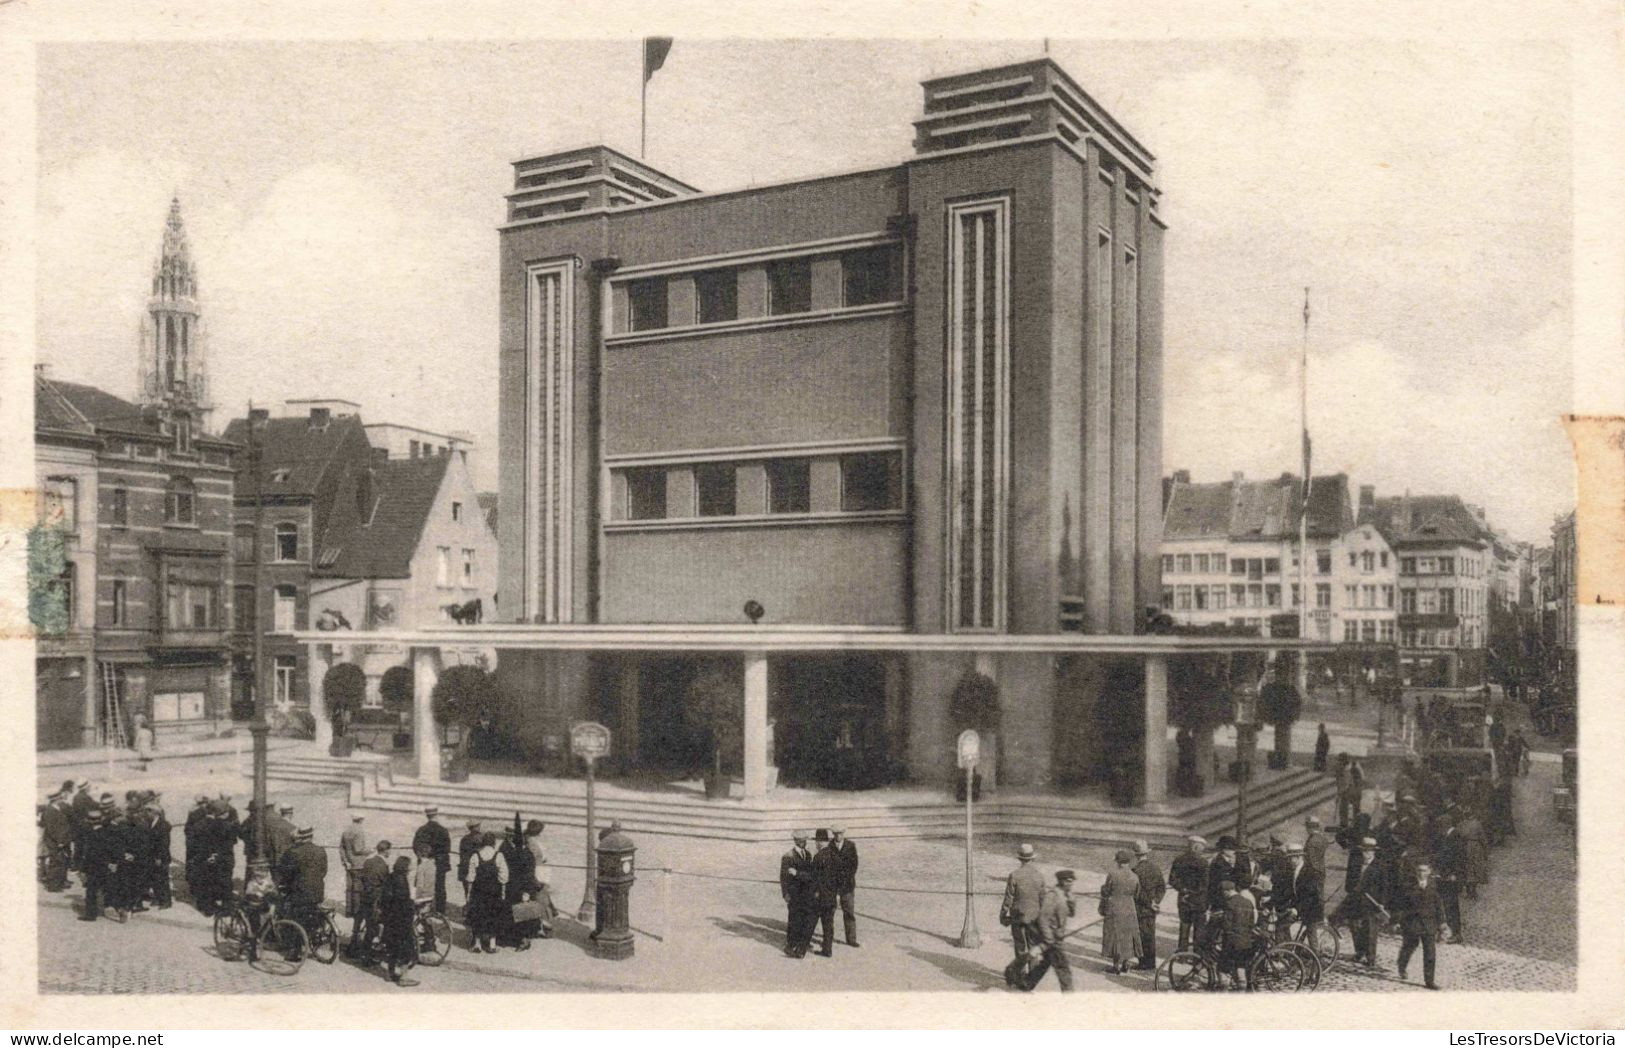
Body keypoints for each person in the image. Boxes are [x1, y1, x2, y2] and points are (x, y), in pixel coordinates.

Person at [999, 843, 1046, 987]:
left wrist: (1003, 914)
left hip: (1018, 916)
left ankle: (1019, 975)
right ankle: (1032, 978)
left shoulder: (1014, 875)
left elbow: (1009, 898)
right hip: (1034, 917)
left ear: (1020, 859)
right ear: (1032, 858)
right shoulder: (1039, 876)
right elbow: (1043, 899)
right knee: (1033, 947)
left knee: (1020, 947)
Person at [1021, 870, 1076, 992]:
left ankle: (1026, 983)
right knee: (1063, 969)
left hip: (1056, 936)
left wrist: (1072, 901)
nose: (1071, 884)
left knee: (1045, 963)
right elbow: (1043, 918)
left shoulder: (1065, 895)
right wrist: (1049, 939)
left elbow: (1071, 914)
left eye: (1072, 881)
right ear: (1061, 881)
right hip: (1052, 938)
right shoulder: (1052, 896)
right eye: (1068, 881)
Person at [274, 826, 329, 941]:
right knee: (311, 912)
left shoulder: (293, 852)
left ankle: (295, 950)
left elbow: (285, 873)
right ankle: (313, 936)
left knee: (294, 918)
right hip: (318, 891)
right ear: (311, 836)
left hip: (300, 892)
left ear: (300, 837)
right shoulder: (321, 850)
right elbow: (323, 871)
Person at [1397, 861, 1445, 989]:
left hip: (1429, 924)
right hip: (1412, 922)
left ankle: (1429, 981)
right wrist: (1396, 921)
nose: (1421, 873)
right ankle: (1402, 966)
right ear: (1415, 871)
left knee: (1430, 953)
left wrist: (1442, 923)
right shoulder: (1408, 885)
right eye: (1419, 870)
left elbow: (1439, 905)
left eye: (1424, 870)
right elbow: (1400, 905)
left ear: (1429, 871)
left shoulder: (1434, 885)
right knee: (1409, 947)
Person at [378, 855, 420, 986]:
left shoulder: (390, 877)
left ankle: (390, 974)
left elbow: (385, 900)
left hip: (390, 920)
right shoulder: (402, 881)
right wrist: (413, 906)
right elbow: (404, 903)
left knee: (392, 948)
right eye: (410, 865)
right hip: (401, 921)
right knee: (405, 949)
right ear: (405, 867)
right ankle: (404, 977)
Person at [464, 832, 508, 953]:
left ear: (483, 843)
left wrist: (468, 895)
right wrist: (502, 891)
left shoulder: (475, 856)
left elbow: (470, 878)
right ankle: (492, 944)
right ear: (494, 843)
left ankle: (477, 944)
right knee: (493, 915)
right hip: (494, 892)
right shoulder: (499, 856)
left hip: (479, 891)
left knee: (478, 915)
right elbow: (504, 877)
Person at [1099, 849, 1142, 974]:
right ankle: (1126, 964)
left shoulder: (1112, 874)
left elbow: (1106, 891)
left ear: (1118, 862)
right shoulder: (1135, 876)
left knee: (1115, 936)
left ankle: (1116, 966)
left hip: (1115, 907)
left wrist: (1103, 891)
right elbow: (1137, 894)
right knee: (1128, 936)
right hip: (1129, 908)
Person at [350, 840, 392, 960]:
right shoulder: (384, 866)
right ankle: (368, 953)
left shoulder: (368, 862)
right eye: (389, 850)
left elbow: (362, 878)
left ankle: (353, 947)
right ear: (386, 851)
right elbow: (386, 884)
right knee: (373, 926)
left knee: (359, 923)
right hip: (376, 900)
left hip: (365, 897)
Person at [779, 830, 816, 959]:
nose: (804, 842)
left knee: (803, 918)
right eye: (801, 840)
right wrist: (785, 894)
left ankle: (800, 943)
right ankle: (791, 944)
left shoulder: (808, 854)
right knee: (794, 919)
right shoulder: (788, 856)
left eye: (805, 840)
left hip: (806, 893)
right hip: (794, 893)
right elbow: (783, 877)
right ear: (795, 841)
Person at [1168, 835, 1208, 951]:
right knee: (1199, 930)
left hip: (1183, 900)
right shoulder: (1203, 862)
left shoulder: (1179, 860)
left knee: (1184, 928)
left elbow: (1172, 880)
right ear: (1195, 847)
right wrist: (1194, 893)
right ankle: (1197, 956)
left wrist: (1183, 890)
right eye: (1201, 848)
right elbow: (1205, 884)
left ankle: (1182, 954)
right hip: (1199, 901)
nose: (1202, 850)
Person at [1130, 840, 1166, 971]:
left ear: (1136, 855)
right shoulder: (1155, 868)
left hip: (1140, 909)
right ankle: (1151, 963)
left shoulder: (1135, 871)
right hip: (1152, 910)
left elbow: (1137, 893)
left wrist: (1149, 903)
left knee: (1141, 937)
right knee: (1150, 936)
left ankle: (1143, 963)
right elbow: (1162, 887)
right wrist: (1156, 901)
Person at [411, 807, 451, 915]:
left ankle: (421, 909)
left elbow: (415, 846)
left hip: (424, 862)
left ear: (427, 815)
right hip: (439, 863)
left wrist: (422, 858)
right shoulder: (443, 830)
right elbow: (447, 849)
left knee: (421, 885)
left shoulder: (421, 830)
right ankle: (440, 911)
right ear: (436, 814)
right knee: (440, 887)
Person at [1218, 879, 1256, 991]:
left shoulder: (1229, 903)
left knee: (1223, 967)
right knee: (1241, 966)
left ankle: (1224, 991)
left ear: (1227, 891)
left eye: (1223, 892)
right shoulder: (1248, 902)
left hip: (1231, 943)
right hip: (1246, 943)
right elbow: (1251, 923)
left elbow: (1226, 925)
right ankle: (1241, 991)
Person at [808, 829, 841, 957]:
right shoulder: (835, 855)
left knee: (811, 922)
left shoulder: (818, 857)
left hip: (820, 897)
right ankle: (827, 949)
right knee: (828, 925)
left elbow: (814, 878)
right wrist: (837, 894)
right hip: (831, 897)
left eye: (817, 841)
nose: (816, 844)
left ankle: (801, 947)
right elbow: (839, 877)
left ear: (820, 842)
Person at [522, 820, 556, 938]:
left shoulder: (529, 840)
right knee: (540, 899)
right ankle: (540, 926)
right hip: (537, 873)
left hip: (538, 871)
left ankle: (540, 924)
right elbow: (536, 858)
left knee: (539, 898)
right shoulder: (532, 843)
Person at [1435, 819, 1467, 943]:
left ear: (1445, 825)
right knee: (1446, 905)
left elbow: (1460, 858)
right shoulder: (1448, 836)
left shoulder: (1456, 837)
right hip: (1445, 876)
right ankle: (1448, 932)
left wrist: (1455, 874)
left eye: (1440, 827)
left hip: (1452, 878)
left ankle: (1456, 933)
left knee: (1451, 906)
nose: (1439, 830)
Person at [829, 827, 860, 948]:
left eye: (840, 834)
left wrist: (845, 878)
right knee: (830, 912)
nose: (838, 836)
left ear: (843, 834)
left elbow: (854, 864)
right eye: (835, 834)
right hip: (833, 885)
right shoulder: (829, 846)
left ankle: (851, 939)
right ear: (833, 834)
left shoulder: (850, 845)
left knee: (849, 912)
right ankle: (828, 937)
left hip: (847, 885)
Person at [39, 789, 73, 892]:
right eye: (59, 798)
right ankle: (53, 886)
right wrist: (60, 841)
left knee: (60, 862)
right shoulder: (50, 811)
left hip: (58, 840)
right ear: (55, 799)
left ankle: (58, 883)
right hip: (55, 842)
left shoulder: (55, 808)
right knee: (55, 862)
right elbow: (51, 829)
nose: (61, 800)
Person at [458, 819, 483, 902]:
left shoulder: (464, 839)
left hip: (465, 868)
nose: (479, 827)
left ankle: (469, 907)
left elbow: (462, 855)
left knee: (467, 891)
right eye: (478, 825)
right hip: (476, 868)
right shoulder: (480, 838)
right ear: (474, 827)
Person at [1302, 815, 1330, 891]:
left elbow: (1310, 858)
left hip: (1313, 872)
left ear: (1309, 827)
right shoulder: (1322, 838)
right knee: (1320, 892)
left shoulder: (1312, 841)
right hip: (1321, 869)